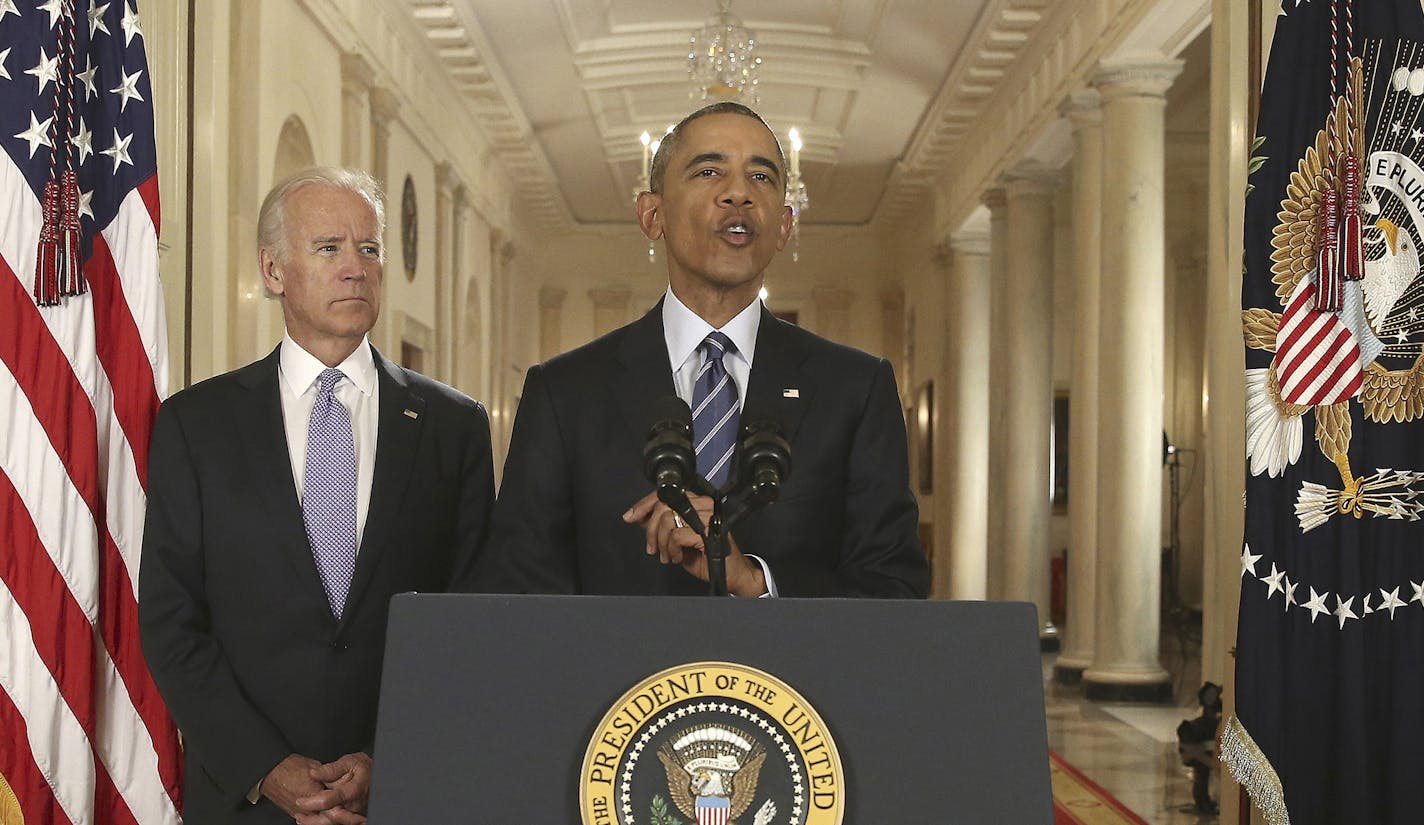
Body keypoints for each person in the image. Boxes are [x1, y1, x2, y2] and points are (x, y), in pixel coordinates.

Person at [139, 167, 495, 824]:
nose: (356, 268)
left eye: (370, 248)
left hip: (407, 794)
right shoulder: (198, 425)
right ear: (273, 271)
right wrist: (265, 768)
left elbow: (473, 618)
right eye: (329, 247)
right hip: (245, 801)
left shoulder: (455, 426)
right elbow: (171, 621)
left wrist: (385, 757)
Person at [477, 102, 928, 598]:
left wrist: (755, 582)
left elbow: (895, 588)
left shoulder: (856, 390)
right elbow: (518, 592)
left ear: (783, 225)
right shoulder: (564, 393)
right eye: (709, 171)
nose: (739, 193)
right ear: (653, 215)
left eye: (761, 176)